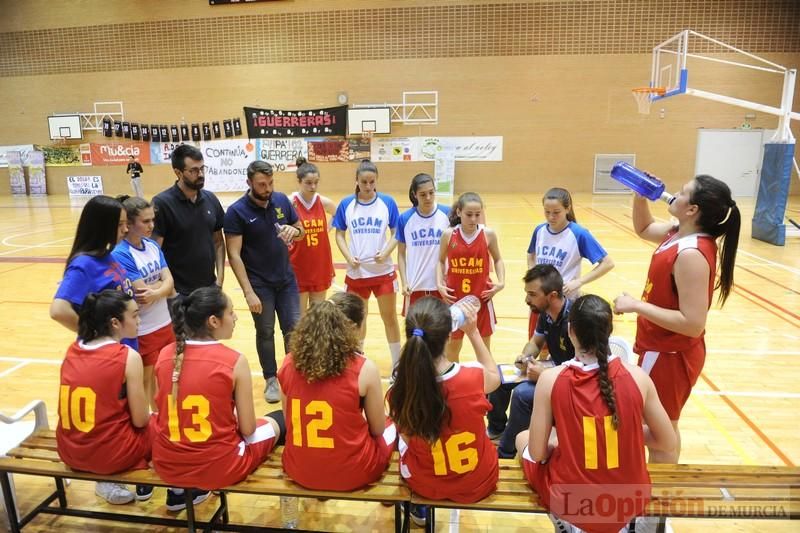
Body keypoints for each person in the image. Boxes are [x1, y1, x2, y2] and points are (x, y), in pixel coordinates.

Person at [516, 295, 675, 533]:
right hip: (629, 502)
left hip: (574, 502)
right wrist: (623, 431)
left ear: (570, 331)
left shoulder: (550, 380)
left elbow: (538, 452)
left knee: (522, 439)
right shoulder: (638, 377)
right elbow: (667, 441)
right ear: (609, 331)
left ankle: (564, 522)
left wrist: (565, 443)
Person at [613, 175, 740, 464]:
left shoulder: (691, 254)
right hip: (658, 347)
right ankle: (657, 500)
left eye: (682, 192)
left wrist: (636, 305)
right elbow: (644, 228)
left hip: (671, 355)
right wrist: (640, 194)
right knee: (664, 427)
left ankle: (659, 503)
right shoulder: (678, 233)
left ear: (692, 209)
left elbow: (693, 323)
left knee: (660, 435)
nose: (674, 194)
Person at [152, 286, 285, 510]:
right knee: (280, 419)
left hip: (167, 464)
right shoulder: (233, 360)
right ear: (213, 321)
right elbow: (249, 429)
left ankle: (177, 493)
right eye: (231, 312)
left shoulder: (165, 354)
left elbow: (161, 409)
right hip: (219, 467)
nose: (235, 317)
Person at [388, 297, 500, 526]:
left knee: (396, 436)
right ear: (449, 336)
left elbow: (407, 438)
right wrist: (474, 333)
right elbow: (495, 377)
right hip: (478, 481)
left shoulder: (400, 389)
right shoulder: (473, 378)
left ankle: (418, 508)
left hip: (427, 483)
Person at [278, 297, 396, 491]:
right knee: (392, 424)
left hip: (299, 470)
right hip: (353, 474)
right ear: (351, 329)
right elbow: (377, 430)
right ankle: (392, 492)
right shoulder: (363, 368)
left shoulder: (288, 362)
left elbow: (287, 419)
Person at [56, 290, 154, 505]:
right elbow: (140, 420)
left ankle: (109, 481)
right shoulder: (128, 356)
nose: (139, 320)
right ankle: (180, 490)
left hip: (69, 452)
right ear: (115, 323)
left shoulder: (72, 350)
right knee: (163, 423)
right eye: (135, 315)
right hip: (109, 456)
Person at [225, 160, 304, 403]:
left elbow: (300, 229)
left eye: (270, 183)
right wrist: (248, 292)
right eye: (262, 184)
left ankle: (295, 375)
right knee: (265, 331)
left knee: (294, 328)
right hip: (259, 284)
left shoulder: (281, 200)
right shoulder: (237, 212)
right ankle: (271, 378)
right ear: (249, 183)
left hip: (286, 280)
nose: (267, 188)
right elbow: (234, 254)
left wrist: (296, 232)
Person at [487, 265, 575, 458]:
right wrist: (525, 357)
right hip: (553, 371)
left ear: (552, 296)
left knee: (522, 394)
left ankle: (506, 453)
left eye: (532, 294)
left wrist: (543, 375)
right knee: (497, 378)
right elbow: (535, 342)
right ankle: (496, 430)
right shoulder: (546, 313)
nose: (527, 299)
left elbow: (581, 371)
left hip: (569, 383)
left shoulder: (573, 322)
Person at [332, 159, 402, 370]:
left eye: (372, 181)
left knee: (389, 317)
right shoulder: (347, 204)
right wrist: (348, 257)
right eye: (364, 182)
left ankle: (397, 364)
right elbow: (340, 235)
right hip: (357, 273)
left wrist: (387, 251)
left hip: (383, 271)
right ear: (357, 180)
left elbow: (397, 232)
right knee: (356, 319)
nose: (369, 186)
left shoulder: (387, 202)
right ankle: (357, 361)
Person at [112, 195, 175, 409]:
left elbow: (171, 284)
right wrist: (162, 287)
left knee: (166, 373)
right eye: (146, 221)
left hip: (165, 322)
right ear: (128, 224)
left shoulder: (151, 245)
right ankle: (155, 422)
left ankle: (165, 416)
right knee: (149, 380)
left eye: (152, 220)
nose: (152, 226)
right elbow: (141, 294)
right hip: (144, 328)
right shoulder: (121, 254)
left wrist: (157, 291)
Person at [526, 187, 614, 338]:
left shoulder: (579, 234)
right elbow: (530, 255)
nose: (551, 217)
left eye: (556, 212)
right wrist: (534, 279)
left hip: (564, 304)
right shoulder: (539, 230)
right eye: (547, 212)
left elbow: (607, 263)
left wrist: (579, 282)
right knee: (539, 347)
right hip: (541, 301)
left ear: (567, 208)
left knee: (563, 350)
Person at [49, 195, 135, 344]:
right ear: (102, 226)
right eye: (119, 224)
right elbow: (59, 310)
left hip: (125, 347)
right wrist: (95, 336)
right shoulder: (84, 264)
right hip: (108, 355)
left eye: (126, 223)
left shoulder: (106, 255)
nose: (126, 229)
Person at [436, 192, 505, 362]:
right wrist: (439, 284)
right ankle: (454, 386)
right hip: (454, 300)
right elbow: (440, 261)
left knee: (484, 350)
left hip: (481, 298)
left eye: (477, 214)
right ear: (459, 212)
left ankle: (486, 388)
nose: (473, 219)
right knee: (452, 350)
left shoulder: (488, 234)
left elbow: (498, 259)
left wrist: (501, 282)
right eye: (469, 214)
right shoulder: (449, 235)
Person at [152, 144, 225, 298]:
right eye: (193, 170)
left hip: (210, 289)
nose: (200, 174)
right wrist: (170, 290)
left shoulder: (211, 199)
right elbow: (154, 252)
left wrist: (219, 280)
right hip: (179, 293)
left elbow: (218, 242)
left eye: (202, 168)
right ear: (178, 172)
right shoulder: (162, 203)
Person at [395, 173, 450, 314]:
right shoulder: (405, 219)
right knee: (416, 333)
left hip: (442, 286)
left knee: (444, 333)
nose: (428, 198)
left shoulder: (447, 214)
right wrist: (404, 281)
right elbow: (401, 253)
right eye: (423, 194)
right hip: (415, 286)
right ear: (414, 194)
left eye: (431, 193)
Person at [288, 157, 336, 315]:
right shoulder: (290, 202)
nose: (313, 186)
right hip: (298, 265)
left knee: (318, 318)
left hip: (320, 264)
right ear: (299, 181)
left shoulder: (324, 202)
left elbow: (339, 215)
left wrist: (327, 229)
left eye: (316, 182)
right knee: (299, 318)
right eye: (308, 183)